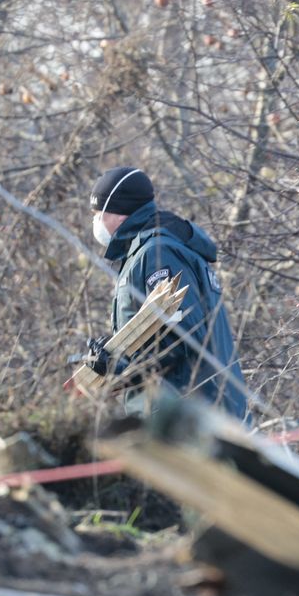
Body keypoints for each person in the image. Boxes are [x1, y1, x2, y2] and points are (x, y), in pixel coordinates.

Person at [84, 166, 250, 422]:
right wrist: (113, 351)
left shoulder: (158, 253)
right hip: (185, 415)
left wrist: (119, 369)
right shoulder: (148, 251)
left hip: (192, 418)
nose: (95, 222)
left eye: (98, 214)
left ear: (118, 214)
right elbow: (154, 332)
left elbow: (180, 339)